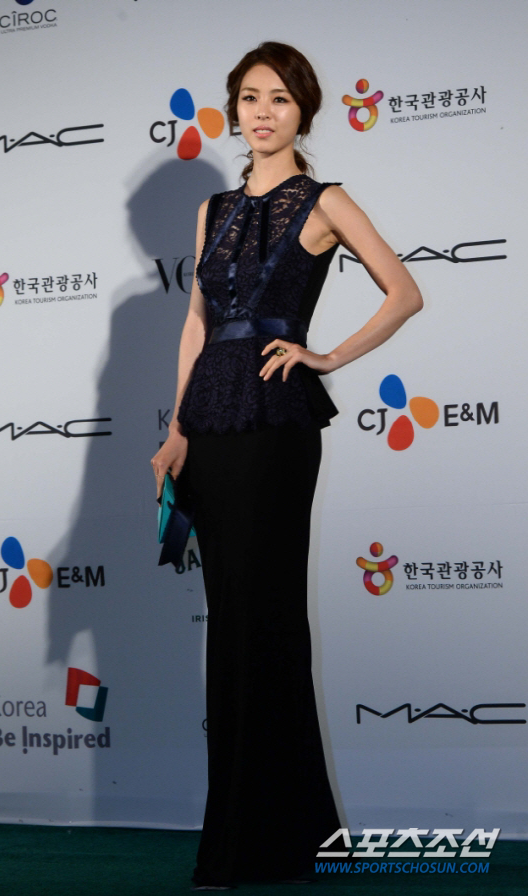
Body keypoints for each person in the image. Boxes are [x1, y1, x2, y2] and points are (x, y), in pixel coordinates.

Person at [151, 42, 423, 889]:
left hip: (275, 425)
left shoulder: (326, 199)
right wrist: (177, 430)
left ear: (303, 110)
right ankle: (261, 831)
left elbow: (404, 292)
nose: (261, 112)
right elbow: (197, 323)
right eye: (248, 97)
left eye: (278, 98)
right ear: (233, 109)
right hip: (210, 425)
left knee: (264, 621)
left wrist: (325, 355)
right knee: (231, 621)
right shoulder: (213, 209)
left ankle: (268, 837)